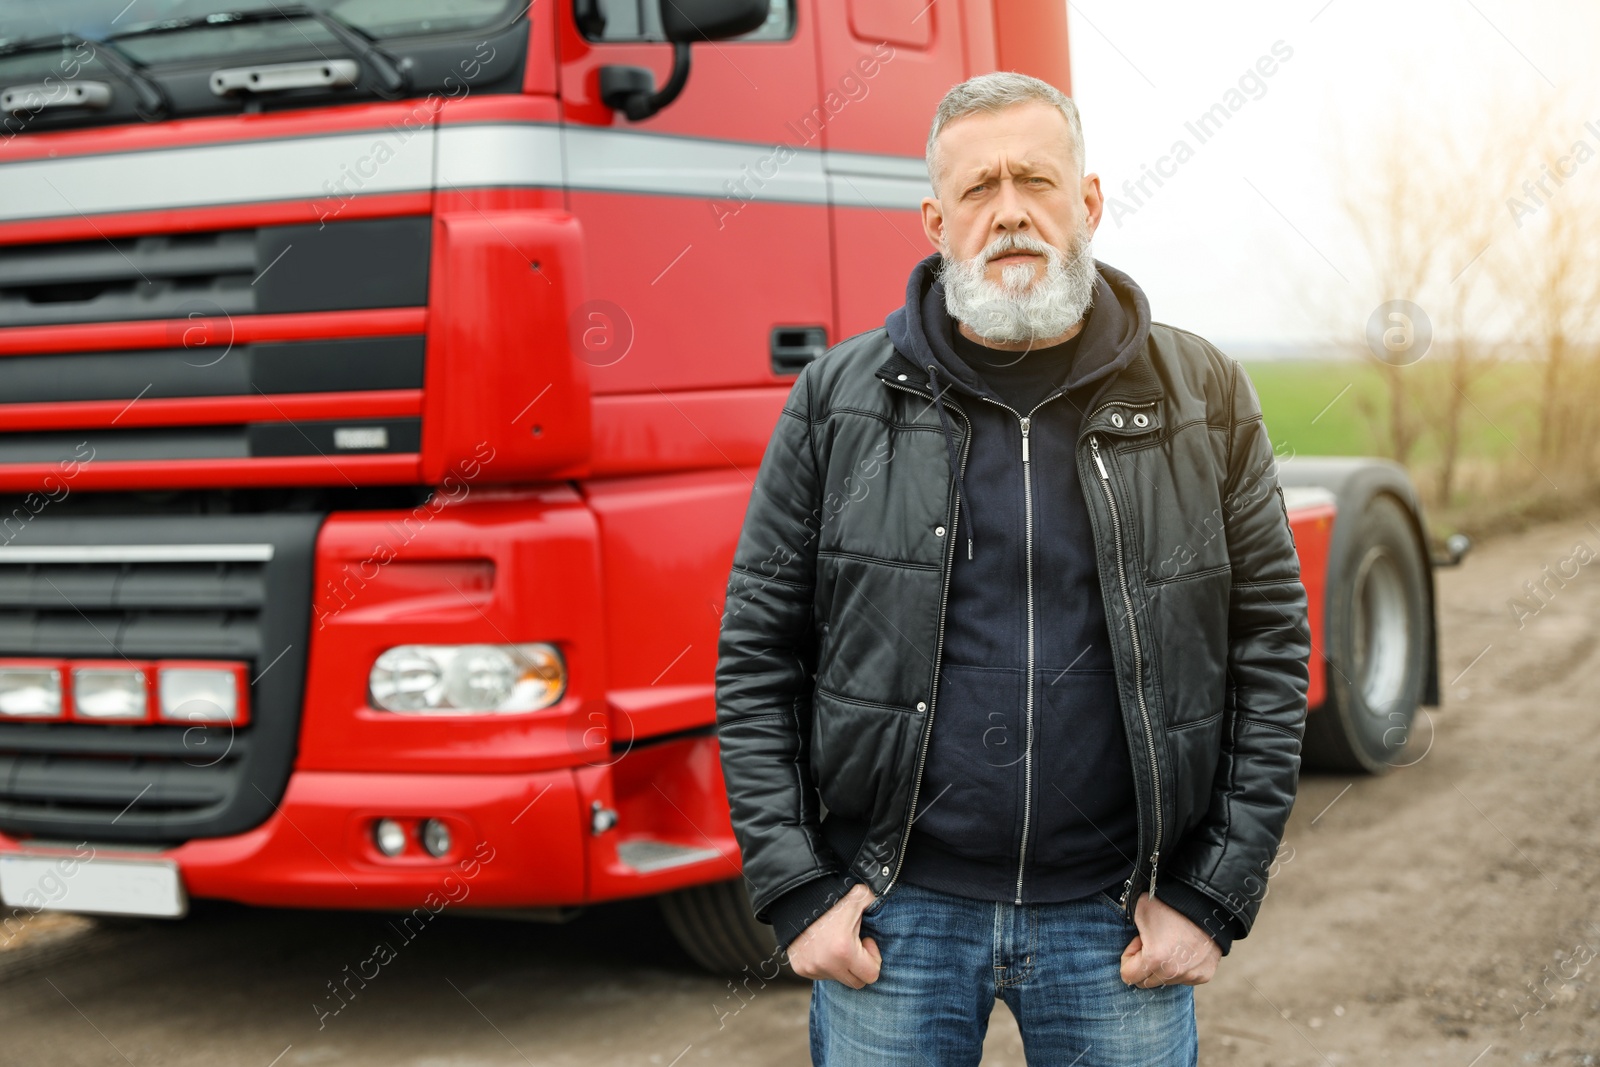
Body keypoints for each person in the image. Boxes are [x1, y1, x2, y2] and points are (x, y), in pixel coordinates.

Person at [714, 71, 1311, 1066]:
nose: (1009, 213)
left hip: (1116, 916)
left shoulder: (1199, 392)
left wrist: (1213, 892)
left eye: (1034, 181)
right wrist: (796, 890)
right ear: (933, 218)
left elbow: (1269, 649)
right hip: (895, 915)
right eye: (978, 189)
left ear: (1086, 202)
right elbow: (757, 653)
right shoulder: (836, 402)